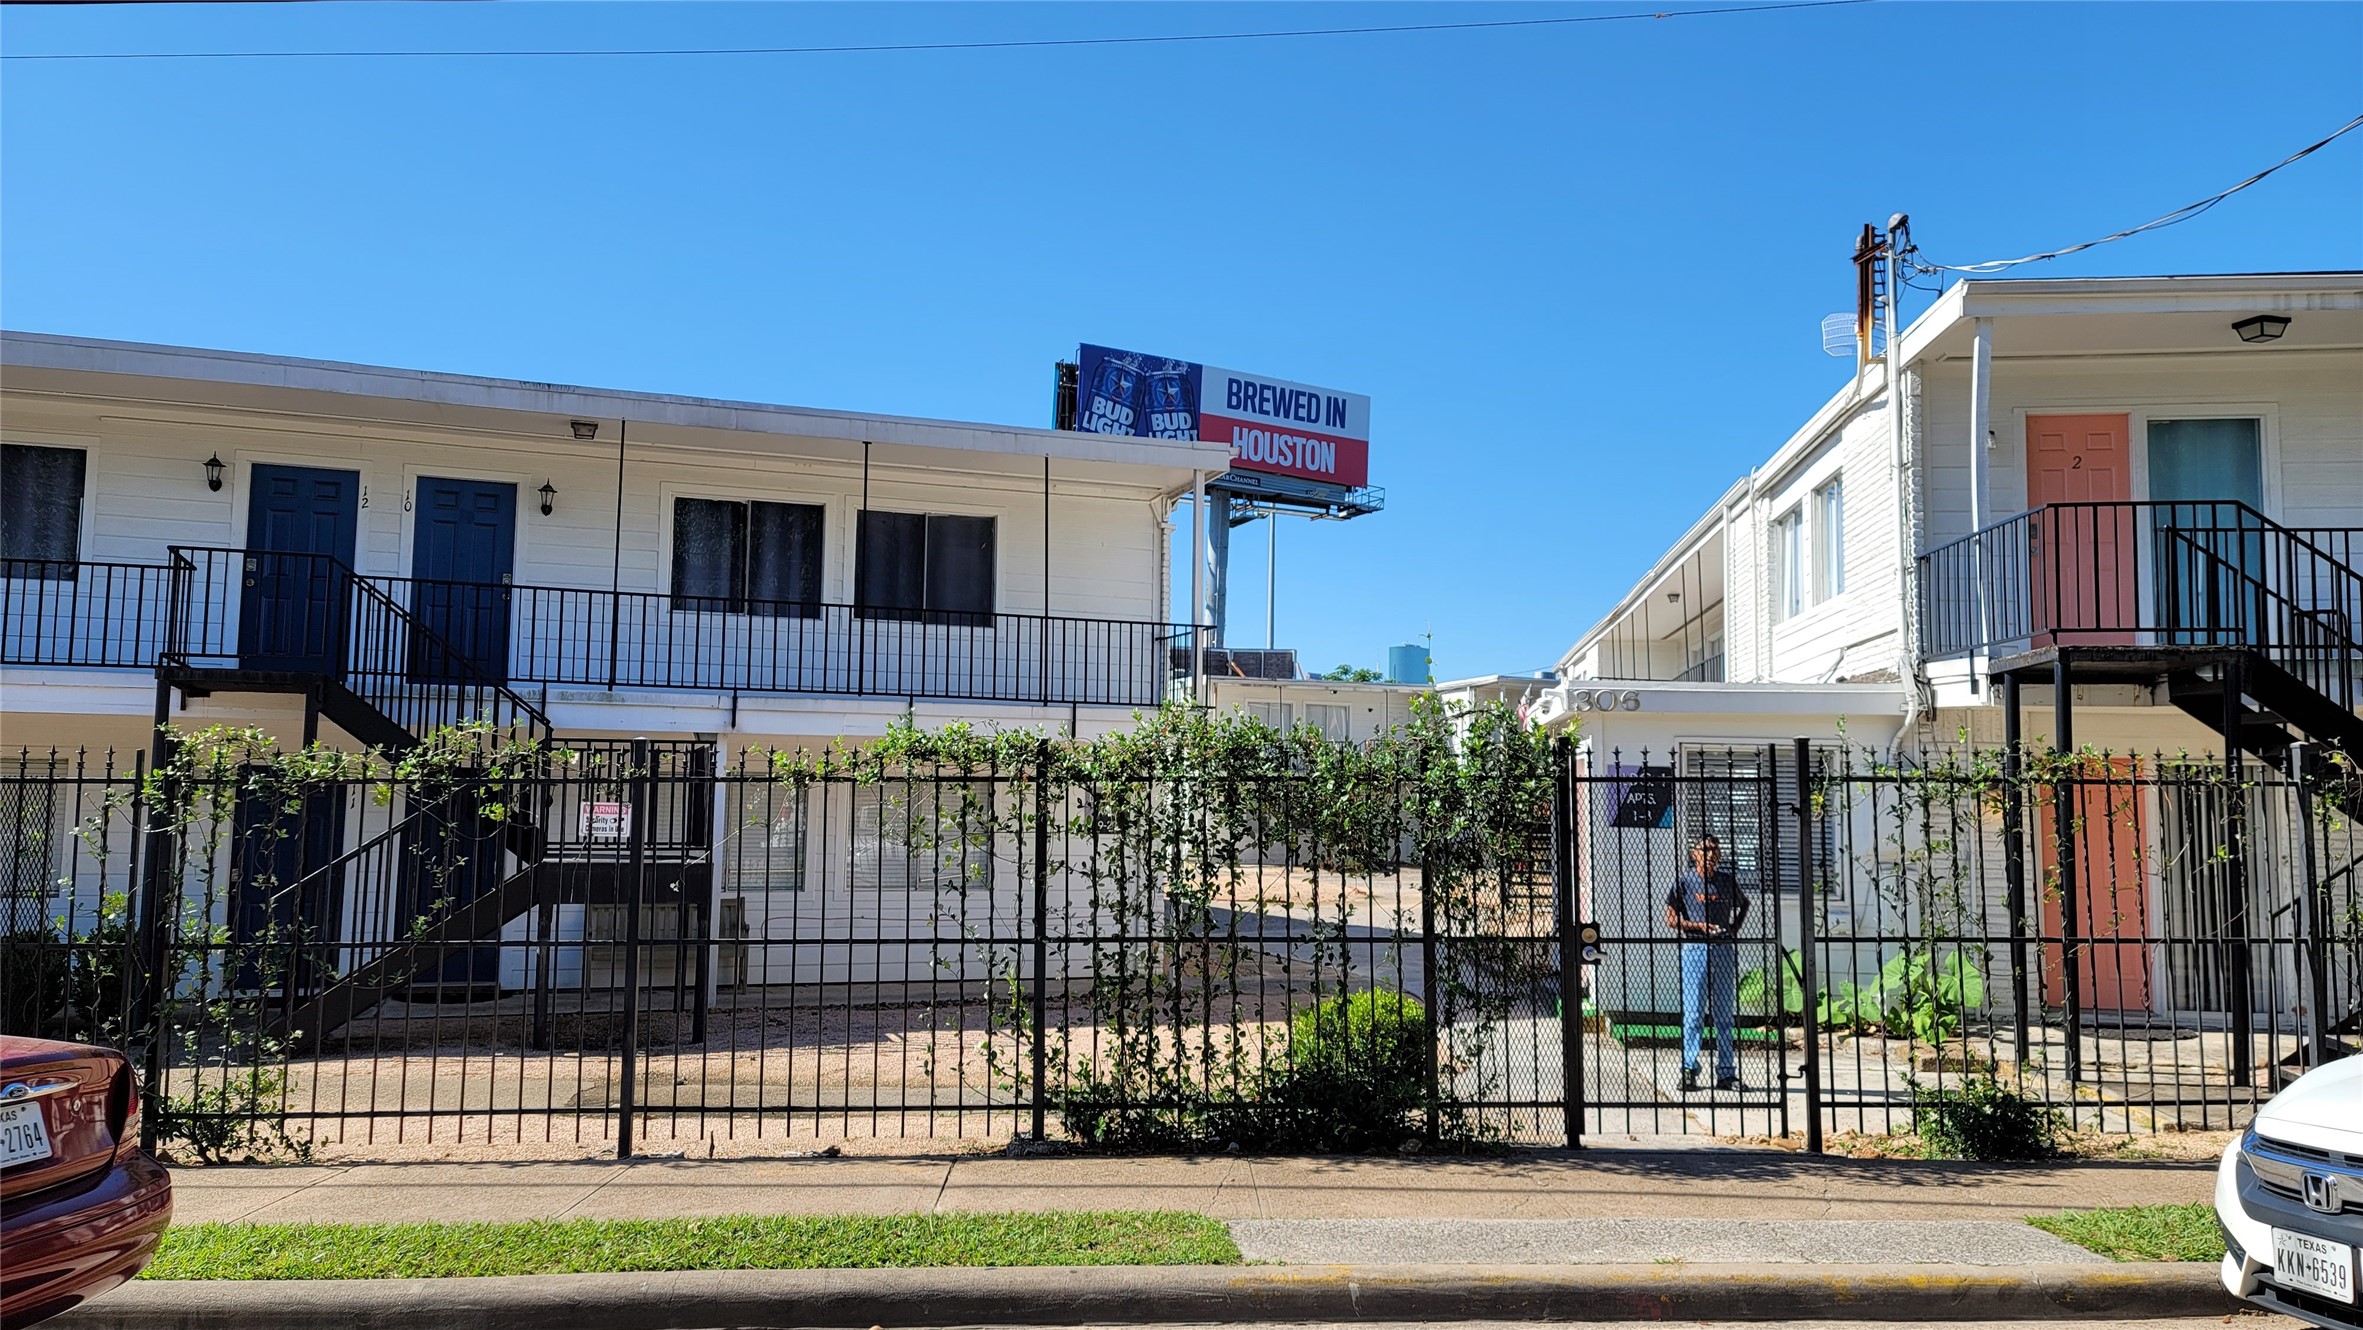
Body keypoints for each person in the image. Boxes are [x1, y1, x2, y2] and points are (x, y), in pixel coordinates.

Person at [1664, 833, 1748, 1093]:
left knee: (1724, 1015)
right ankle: (1689, 1069)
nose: (1710, 854)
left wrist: (1733, 929)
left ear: (1719, 855)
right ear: (1694, 854)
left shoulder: (1726, 882)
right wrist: (1698, 926)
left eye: (1714, 850)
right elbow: (1671, 919)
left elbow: (1744, 904)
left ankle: (1726, 1073)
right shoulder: (1685, 883)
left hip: (1723, 949)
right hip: (1695, 949)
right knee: (1693, 1014)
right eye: (1704, 849)